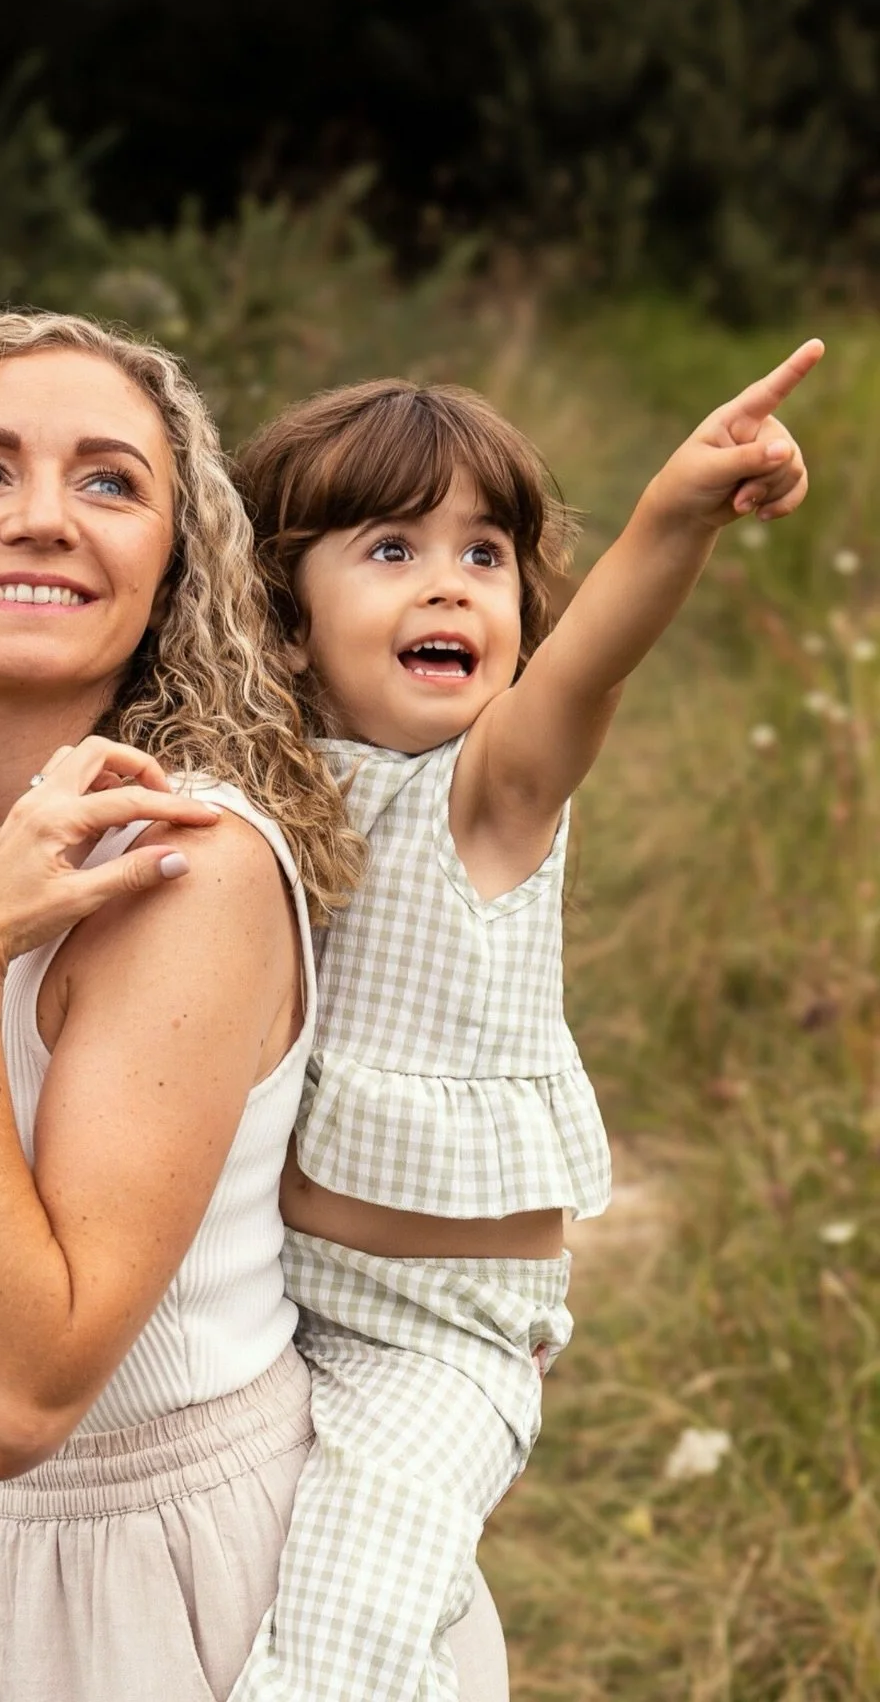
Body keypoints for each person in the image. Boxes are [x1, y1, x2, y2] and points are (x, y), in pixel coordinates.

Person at [0, 310, 512, 1701]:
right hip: (34, 1565)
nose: (42, 519)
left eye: (109, 481)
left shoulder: (178, 865)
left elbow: (26, 1400)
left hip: (217, 1584)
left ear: (175, 567)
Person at [222, 341, 822, 1701]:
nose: (448, 581)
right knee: (268, 1596)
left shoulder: (490, 792)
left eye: (485, 555)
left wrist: (678, 509)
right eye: (389, 549)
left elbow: (591, 666)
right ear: (283, 619)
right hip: (272, 1306)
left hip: (440, 1341)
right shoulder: (267, 786)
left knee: (341, 1646)